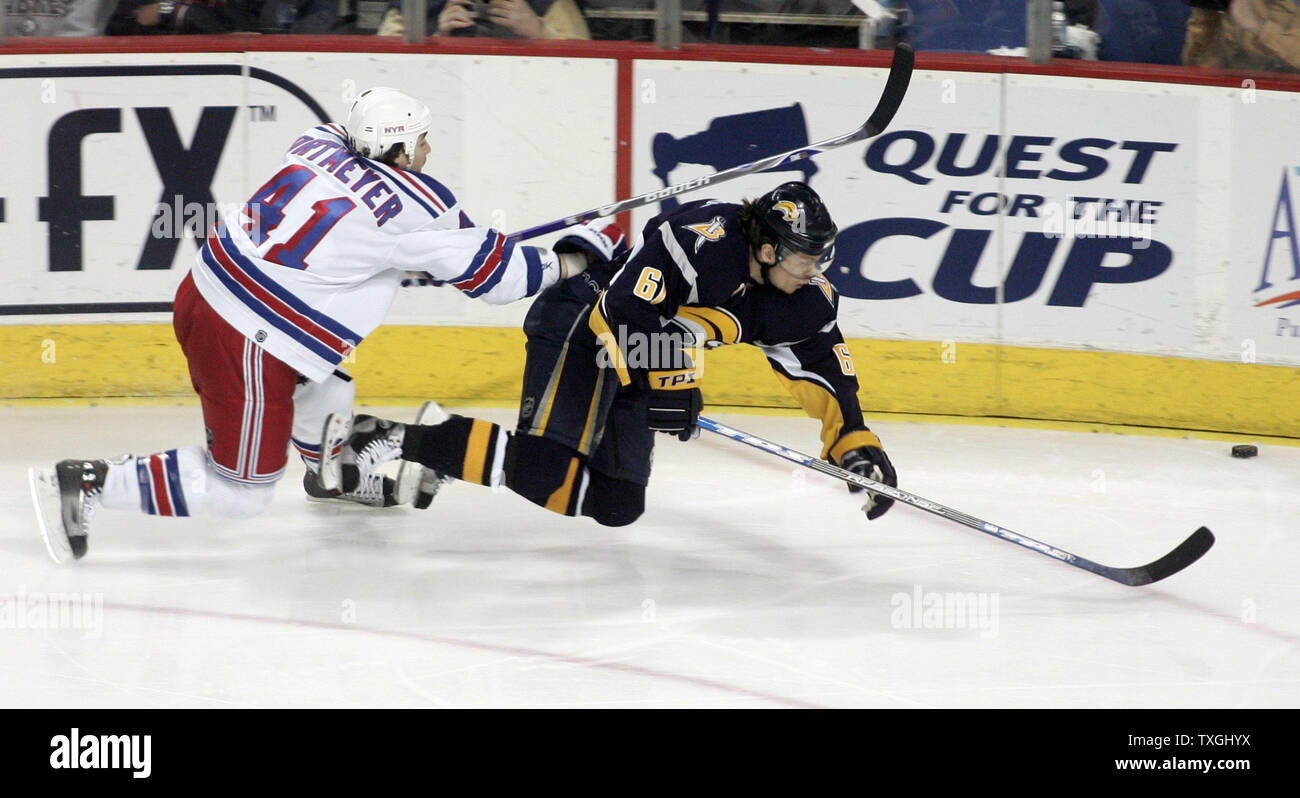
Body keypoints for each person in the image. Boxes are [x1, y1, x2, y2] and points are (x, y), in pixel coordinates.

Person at [27, 86, 606, 563]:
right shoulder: (418, 209)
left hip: (204, 289)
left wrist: (439, 250)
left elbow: (374, 232)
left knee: (329, 386)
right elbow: (496, 279)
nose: (429, 146)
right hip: (249, 338)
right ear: (400, 153)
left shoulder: (317, 143)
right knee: (243, 492)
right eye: (420, 139)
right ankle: (92, 481)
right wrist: (572, 259)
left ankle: (332, 474)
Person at [320, 182, 899, 529]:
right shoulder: (704, 244)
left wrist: (854, 444)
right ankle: (392, 439)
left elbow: (825, 372)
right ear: (767, 248)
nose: (815, 271)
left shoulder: (804, 298)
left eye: (821, 259)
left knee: (620, 504)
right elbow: (621, 314)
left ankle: (445, 441)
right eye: (805, 258)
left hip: (634, 354)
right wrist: (671, 384)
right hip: (582, 319)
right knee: (546, 468)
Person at [376, 0, 589, 39]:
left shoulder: (550, 3)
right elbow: (381, 66)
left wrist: (539, 31)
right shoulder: (413, 6)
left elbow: (594, 67)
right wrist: (438, 39)